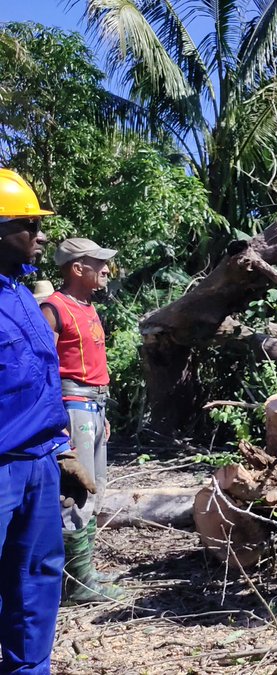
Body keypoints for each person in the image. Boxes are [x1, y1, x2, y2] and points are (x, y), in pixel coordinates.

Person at [0, 168, 93, 673]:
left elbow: (39, 379)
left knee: (36, 581)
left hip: (37, 464)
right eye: (27, 225)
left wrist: (62, 449)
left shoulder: (21, 295)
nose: (40, 236)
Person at [40, 237, 123, 605]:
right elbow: (42, 368)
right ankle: (78, 584)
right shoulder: (53, 308)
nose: (106, 269)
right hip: (72, 407)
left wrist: (103, 412)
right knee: (75, 494)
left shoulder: (87, 306)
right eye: (98, 263)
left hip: (93, 407)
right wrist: (56, 419)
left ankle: (82, 571)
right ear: (77, 268)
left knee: (95, 488)